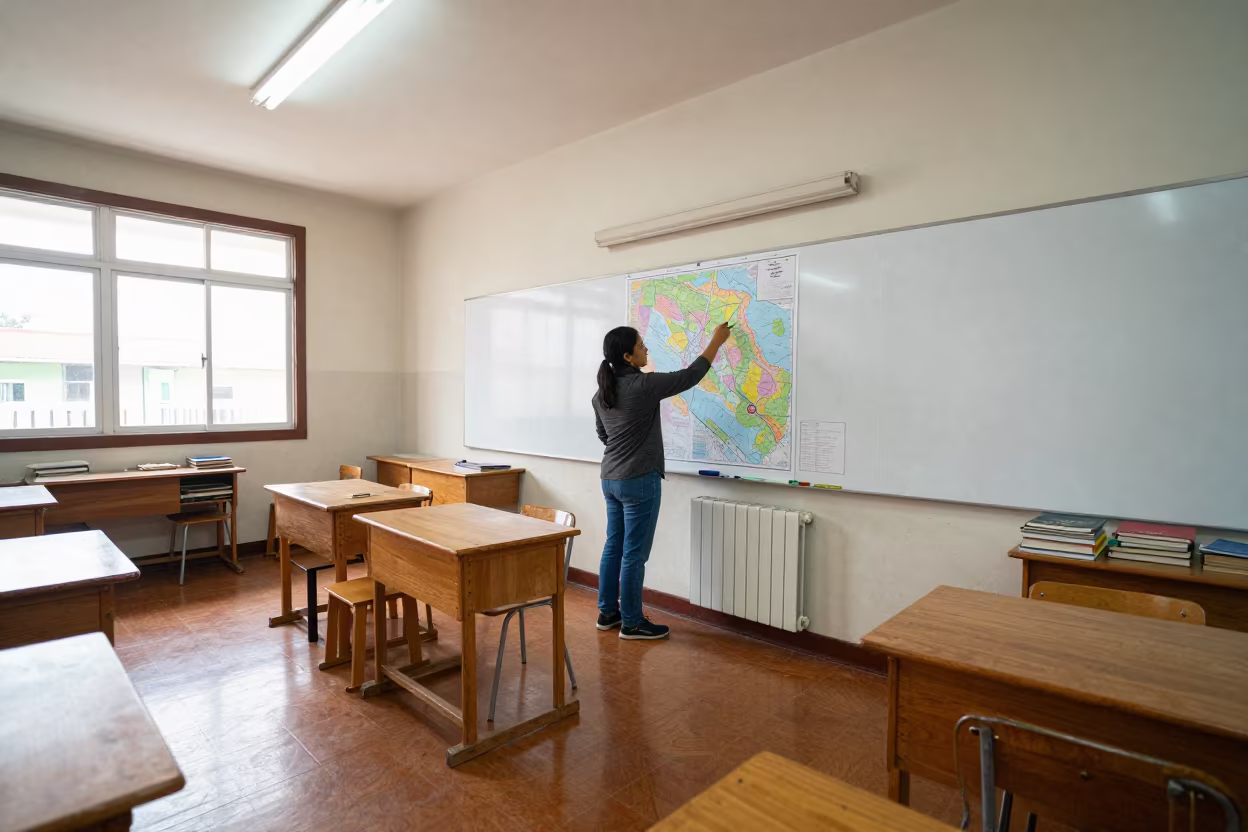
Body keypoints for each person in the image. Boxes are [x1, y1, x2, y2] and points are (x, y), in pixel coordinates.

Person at [592, 321, 733, 639]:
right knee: (633, 554)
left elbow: (604, 435)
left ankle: (608, 613)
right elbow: (690, 376)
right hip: (639, 480)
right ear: (628, 357)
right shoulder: (643, 386)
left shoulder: (602, 393)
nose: (646, 350)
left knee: (614, 546)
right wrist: (716, 341)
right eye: (641, 346)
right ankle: (631, 622)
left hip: (610, 478)